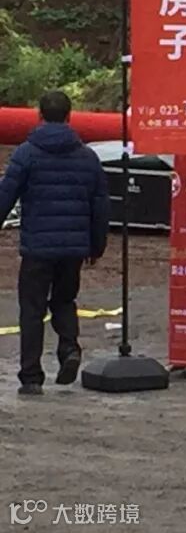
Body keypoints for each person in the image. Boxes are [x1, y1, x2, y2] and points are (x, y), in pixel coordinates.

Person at [0, 91, 109, 396]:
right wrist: (96, 245)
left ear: (39, 115)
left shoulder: (26, 153)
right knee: (64, 300)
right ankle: (69, 348)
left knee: (31, 308)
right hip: (74, 247)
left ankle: (31, 376)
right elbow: (101, 205)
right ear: (69, 116)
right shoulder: (88, 157)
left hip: (37, 247)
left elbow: (6, 194)